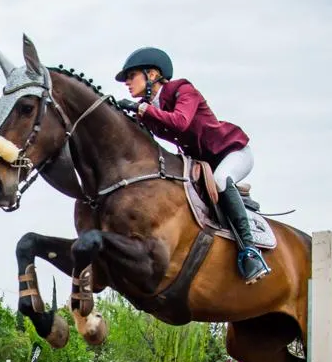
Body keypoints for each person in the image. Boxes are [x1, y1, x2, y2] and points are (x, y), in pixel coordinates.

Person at [114, 46, 271, 284]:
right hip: (202, 164)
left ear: (153, 75)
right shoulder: (149, 110)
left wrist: (142, 109)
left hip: (231, 152)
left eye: (131, 76)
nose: (127, 82)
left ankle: (250, 252)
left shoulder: (182, 90)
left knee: (220, 181)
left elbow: (181, 122)